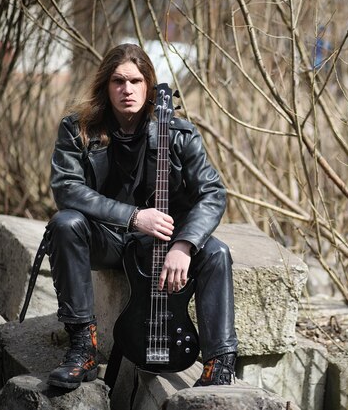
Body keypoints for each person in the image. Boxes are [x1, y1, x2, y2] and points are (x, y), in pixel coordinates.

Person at [44, 43, 238, 389]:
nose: (127, 89)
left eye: (135, 81)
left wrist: (185, 244)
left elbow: (213, 193)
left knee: (217, 253)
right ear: (106, 85)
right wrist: (134, 216)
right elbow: (66, 189)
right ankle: (82, 350)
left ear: (149, 85)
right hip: (106, 238)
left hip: (160, 245)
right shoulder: (78, 129)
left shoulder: (179, 134)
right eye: (118, 81)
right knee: (65, 223)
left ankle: (219, 365)